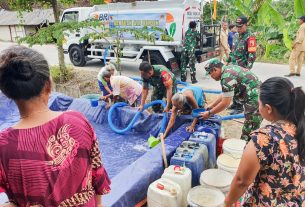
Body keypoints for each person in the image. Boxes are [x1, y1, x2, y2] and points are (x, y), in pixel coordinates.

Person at [0, 46, 111, 206]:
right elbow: (97, 173)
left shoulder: (4, 145)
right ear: (48, 85)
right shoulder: (77, 121)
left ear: (8, 92)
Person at [224, 77, 305, 207]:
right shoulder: (300, 128)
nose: (258, 106)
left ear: (268, 108)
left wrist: (227, 202)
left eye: (259, 103)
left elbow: (241, 182)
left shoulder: (263, 139)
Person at [202, 58, 262, 142]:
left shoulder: (227, 78)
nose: (211, 77)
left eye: (210, 73)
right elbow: (225, 94)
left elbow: (225, 103)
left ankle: (246, 149)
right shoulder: (228, 69)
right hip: (256, 95)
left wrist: (209, 113)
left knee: (249, 130)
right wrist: (212, 105)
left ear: (215, 70)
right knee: (251, 127)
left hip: (256, 99)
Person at [226, 16, 257, 115]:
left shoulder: (250, 37)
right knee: (234, 85)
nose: (238, 28)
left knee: (241, 86)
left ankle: (239, 107)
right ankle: (235, 104)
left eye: (240, 27)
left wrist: (248, 68)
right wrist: (228, 60)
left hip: (243, 67)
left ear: (246, 25)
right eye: (237, 26)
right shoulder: (235, 36)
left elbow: (252, 54)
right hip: (234, 65)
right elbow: (233, 51)